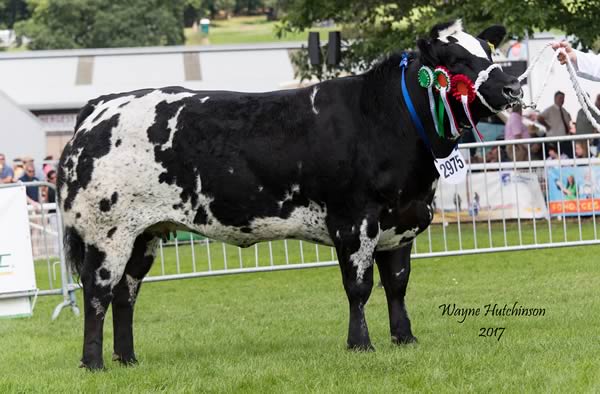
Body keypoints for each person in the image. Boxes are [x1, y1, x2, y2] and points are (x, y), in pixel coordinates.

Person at [538, 91, 574, 157]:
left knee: (569, 158)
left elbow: (569, 121)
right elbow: (539, 118)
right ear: (555, 98)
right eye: (560, 98)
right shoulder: (550, 109)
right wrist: (547, 126)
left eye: (563, 98)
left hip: (565, 139)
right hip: (554, 140)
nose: (562, 100)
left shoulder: (564, 110)